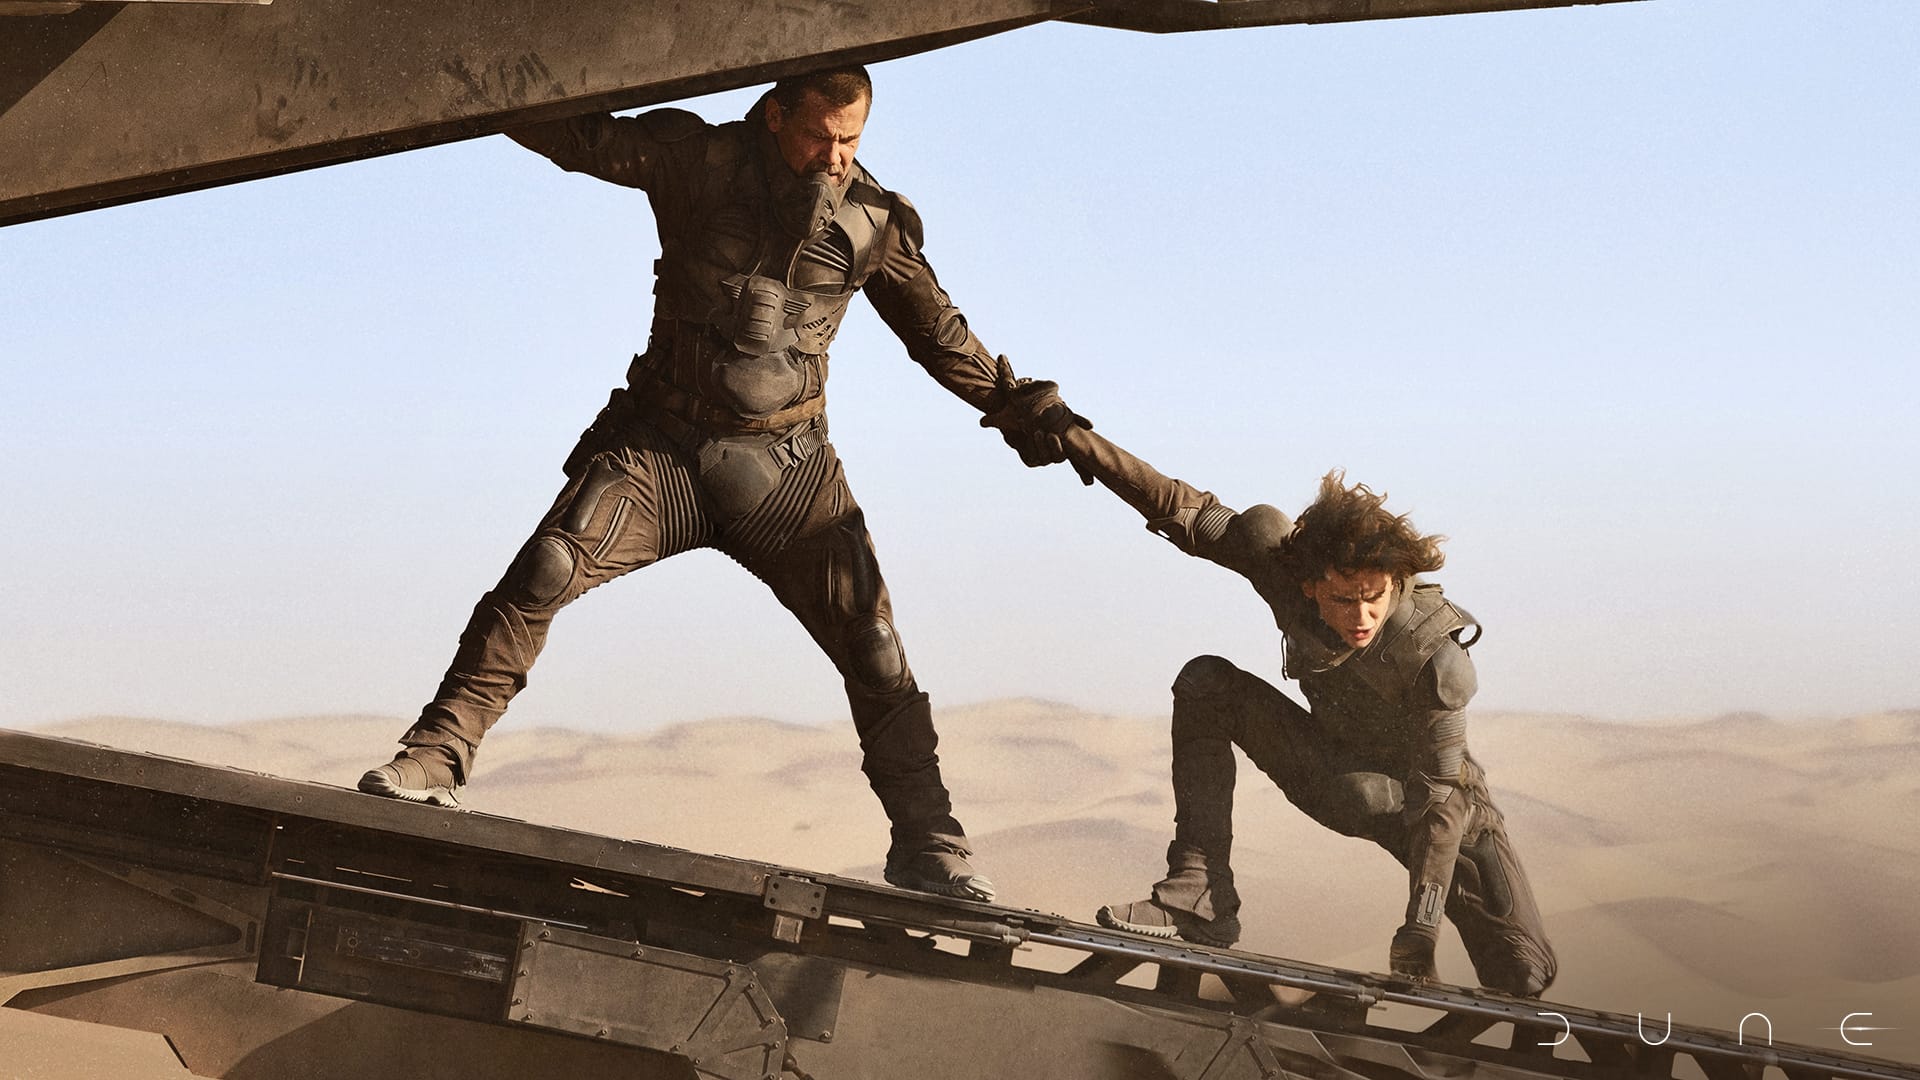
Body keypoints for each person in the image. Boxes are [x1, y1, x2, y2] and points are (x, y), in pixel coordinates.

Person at [358, 65, 1063, 903]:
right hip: (663, 453)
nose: (834, 157)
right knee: (548, 568)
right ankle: (440, 751)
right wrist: (472, 69)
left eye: (851, 140)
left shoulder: (872, 219)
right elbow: (578, 136)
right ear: (773, 116)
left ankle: (930, 842)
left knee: (875, 648)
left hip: (788, 476)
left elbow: (939, 334)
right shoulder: (699, 161)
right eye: (818, 136)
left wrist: (1019, 406)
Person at [980, 391, 1555, 994]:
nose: (1361, 617)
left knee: (1524, 973)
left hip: (1438, 812)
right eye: (1341, 599)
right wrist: (1072, 436)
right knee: (1206, 684)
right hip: (1332, 770)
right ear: (1309, 586)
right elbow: (1181, 508)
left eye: (1374, 597)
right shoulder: (1283, 565)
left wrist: (1421, 928)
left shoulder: (1435, 659)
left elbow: (1439, 804)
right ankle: (1198, 893)